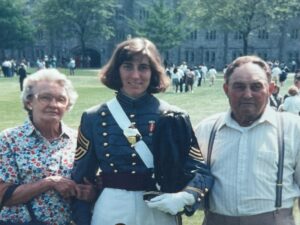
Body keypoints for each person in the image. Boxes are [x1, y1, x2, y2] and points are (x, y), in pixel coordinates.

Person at [71, 37, 213, 225]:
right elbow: (81, 178)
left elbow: (201, 171)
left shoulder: (175, 117)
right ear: (117, 70)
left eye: (143, 68)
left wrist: (184, 197)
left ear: (153, 72)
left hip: (159, 210)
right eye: (128, 66)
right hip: (111, 210)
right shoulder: (94, 117)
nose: (136, 75)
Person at [195, 55, 300, 225]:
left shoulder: (293, 129)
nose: (248, 94)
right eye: (239, 87)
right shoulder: (206, 130)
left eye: (256, 86)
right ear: (226, 89)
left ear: (271, 89)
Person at [0, 69, 96, 224]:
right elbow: (3, 195)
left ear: (67, 105)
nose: (53, 104)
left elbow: (88, 184)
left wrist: (90, 193)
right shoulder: (9, 140)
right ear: (29, 102)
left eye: (61, 99)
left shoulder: (78, 140)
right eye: (45, 98)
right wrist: (49, 182)